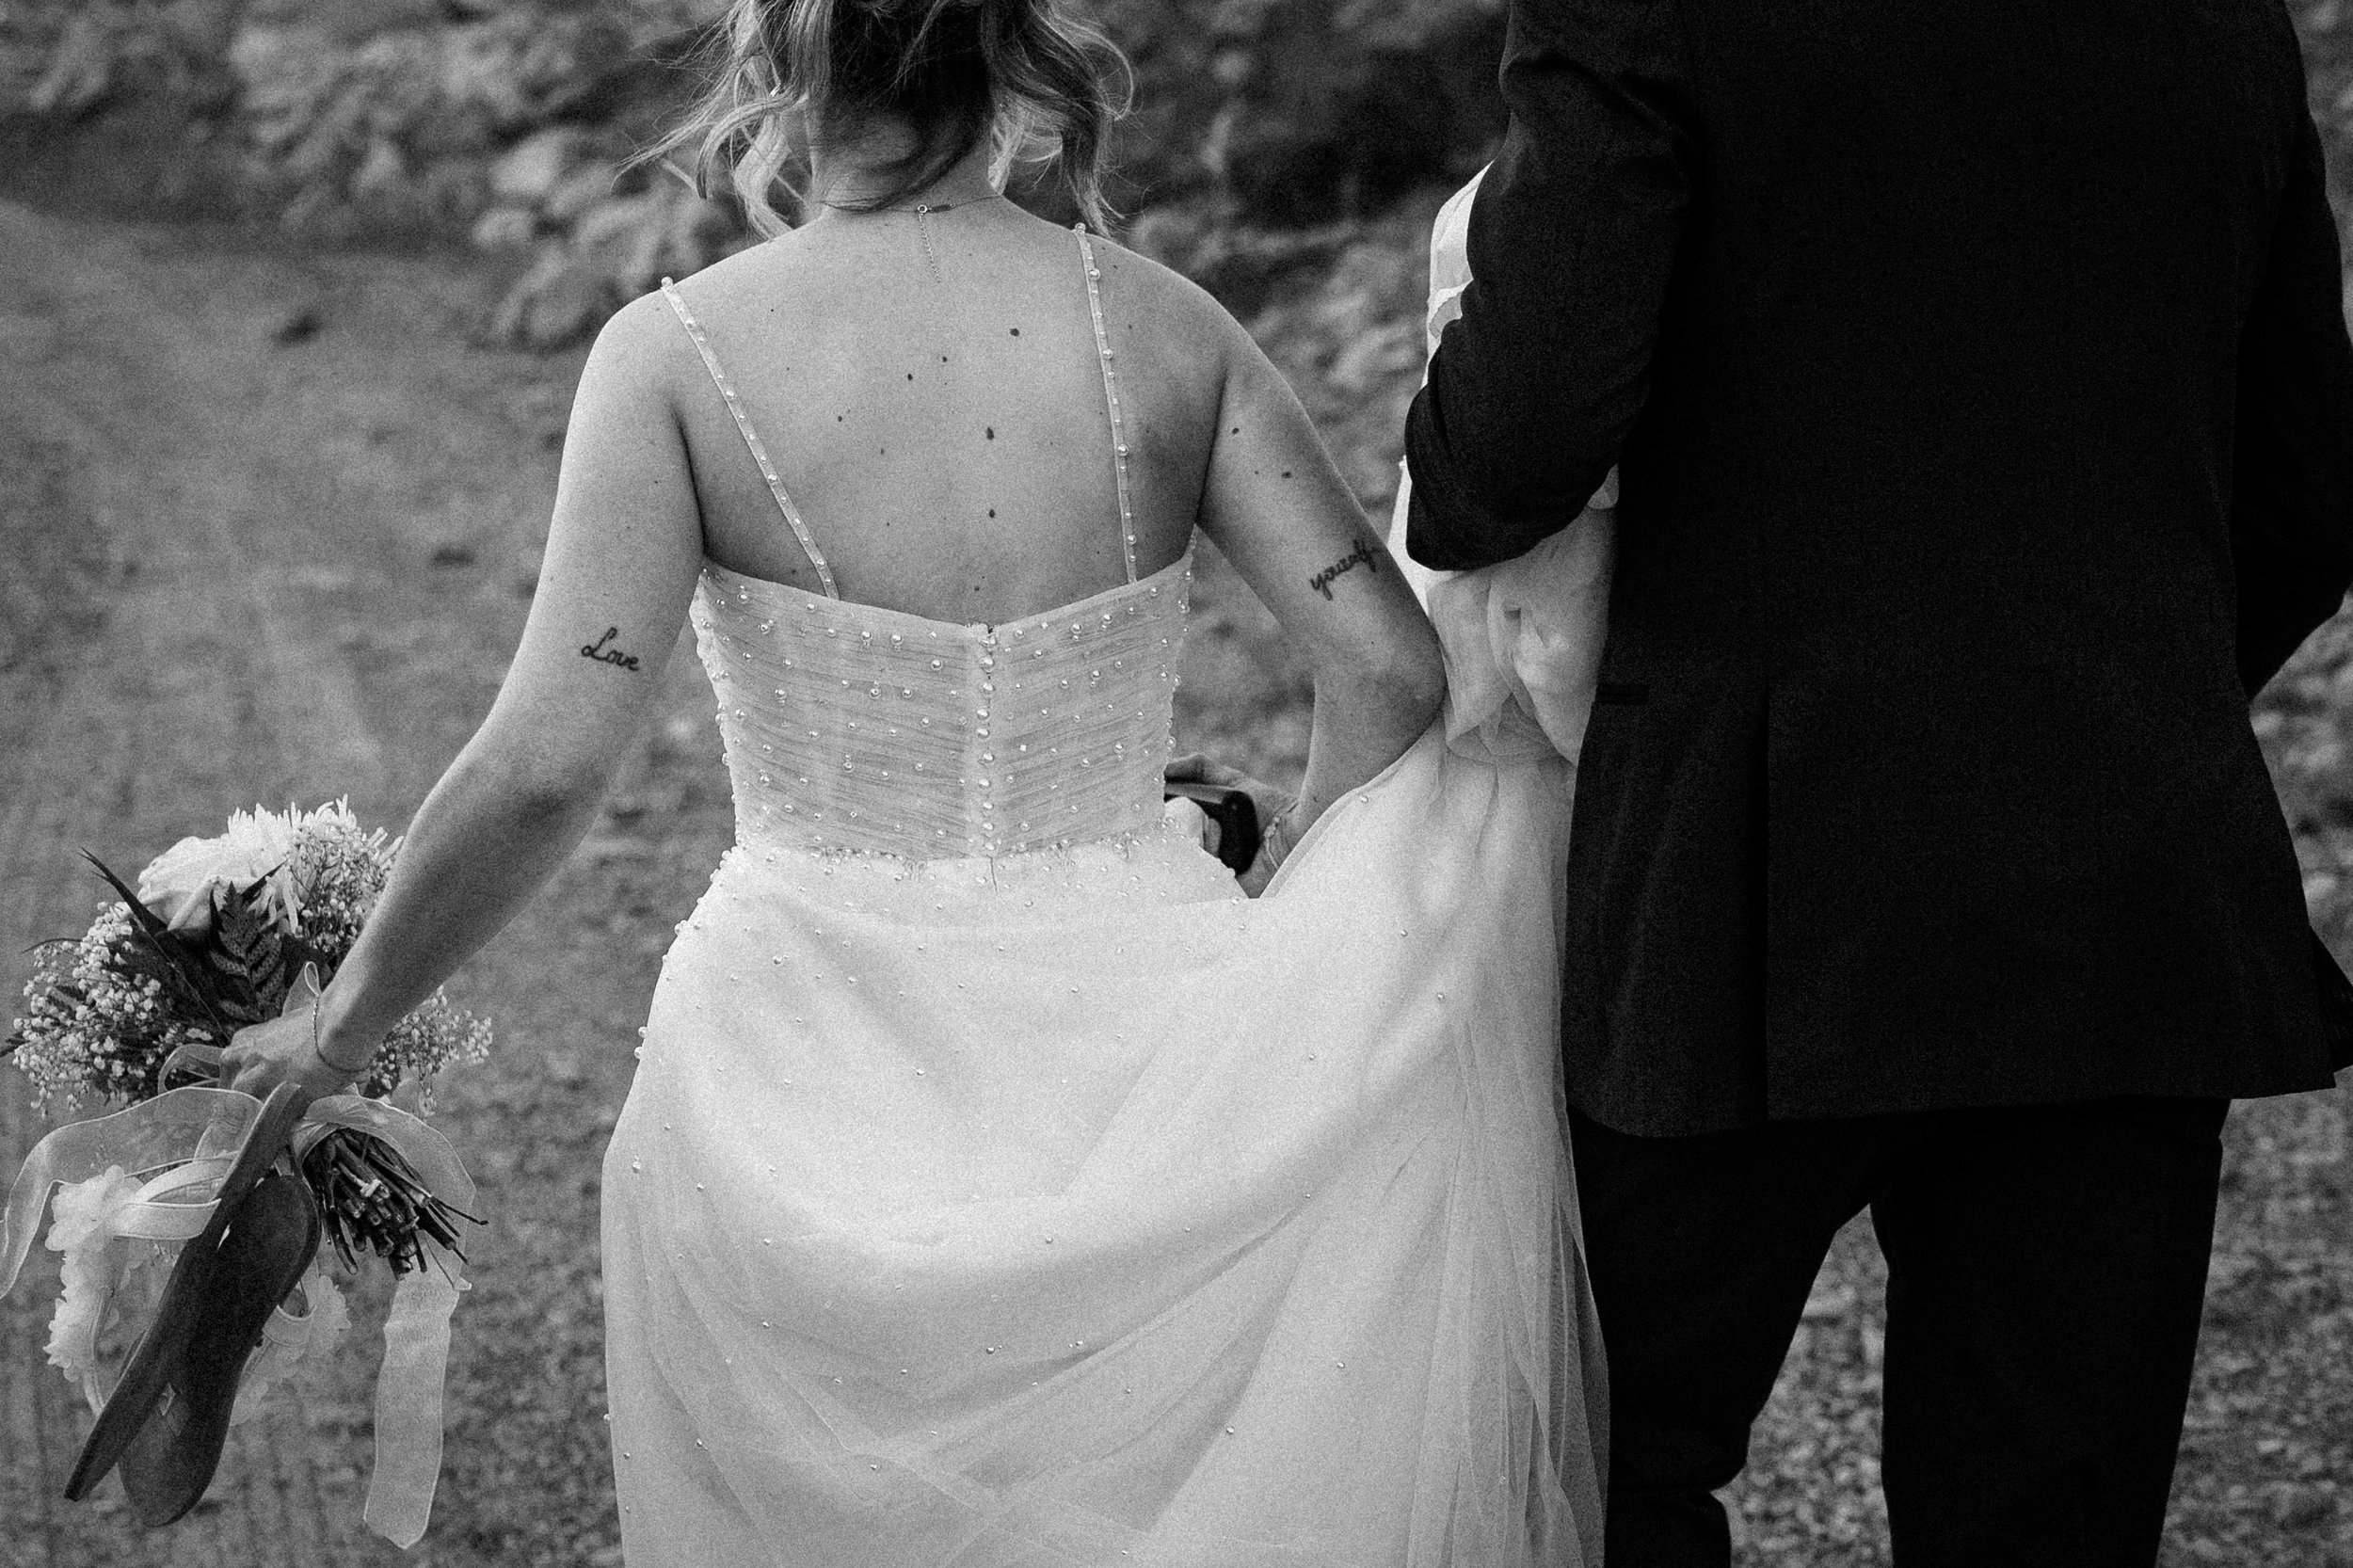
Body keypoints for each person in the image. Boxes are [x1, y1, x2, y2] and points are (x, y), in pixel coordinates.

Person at [222, 1, 1608, 1561]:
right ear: (1013, 53)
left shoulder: (675, 359)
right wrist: (1282, 931)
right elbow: (1394, 670)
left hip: (799, 1069)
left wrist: (335, 1032)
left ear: (779, 67)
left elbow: (546, 767)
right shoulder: (1164, 325)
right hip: (1150, 1040)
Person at [1403, 0, 2353, 1563]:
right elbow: (2312, 493)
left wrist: (1453, 398)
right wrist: (2112, 704)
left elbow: (1516, 444)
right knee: (2050, 1514)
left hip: (1748, 869)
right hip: (2115, 860)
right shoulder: (2221, 25)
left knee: (1584, 1469)